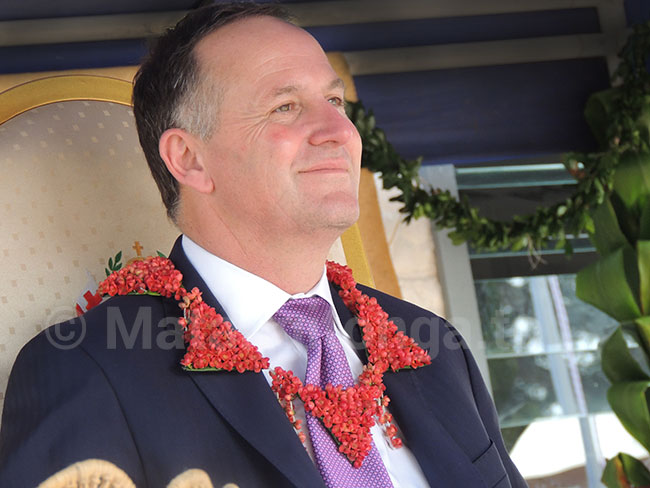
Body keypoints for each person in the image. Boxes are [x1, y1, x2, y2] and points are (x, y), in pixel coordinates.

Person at [0, 3, 527, 487]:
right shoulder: (88, 368)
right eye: (285, 106)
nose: (338, 131)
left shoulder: (436, 347)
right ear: (189, 159)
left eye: (334, 100)